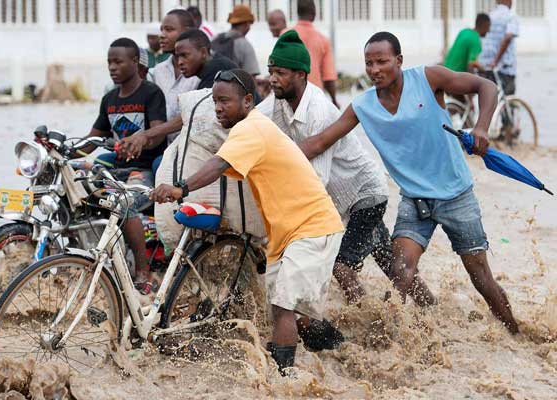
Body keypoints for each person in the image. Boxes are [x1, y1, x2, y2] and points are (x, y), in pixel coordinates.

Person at [299, 32, 519, 334]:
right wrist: (273, 152)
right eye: (369, 63)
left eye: (382, 61)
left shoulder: (429, 79)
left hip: (456, 195)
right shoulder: (363, 106)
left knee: (480, 276)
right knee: (401, 271)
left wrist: (481, 126)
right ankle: (390, 342)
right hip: (415, 202)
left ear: (399, 61)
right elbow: (321, 141)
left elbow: (487, 86)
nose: (375, 69)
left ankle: (515, 333)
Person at [150, 69, 345, 373]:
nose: (217, 108)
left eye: (225, 101)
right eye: (214, 101)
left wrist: (181, 188)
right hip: (288, 234)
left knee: (282, 307)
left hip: (312, 228)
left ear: (248, 101)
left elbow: (218, 163)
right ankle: (345, 352)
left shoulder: (250, 129)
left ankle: (284, 381)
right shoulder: (251, 128)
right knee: (298, 315)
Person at [258, 31, 435, 307]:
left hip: (365, 195)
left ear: (301, 75)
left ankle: (369, 323)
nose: (272, 79)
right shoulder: (278, 99)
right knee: (390, 263)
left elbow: (316, 180)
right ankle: (429, 306)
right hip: (347, 199)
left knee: (341, 265)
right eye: (271, 72)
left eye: (279, 72)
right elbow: (253, 124)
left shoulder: (317, 112)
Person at [77, 38, 167, 296]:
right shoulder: (109, 99)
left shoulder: (150, 93)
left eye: (118, 62)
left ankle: (142, 272)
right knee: (80, 188)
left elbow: (159, 133)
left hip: (144, 170)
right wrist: (63, 150)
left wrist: (142, 140)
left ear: (135, 62)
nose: (112, 67)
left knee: (124, 204)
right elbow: (91, 140)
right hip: (116, 170)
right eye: (109, 62)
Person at [118, 29, 238, 160]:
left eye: (184, 55)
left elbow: (191, 115)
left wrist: (145, 135)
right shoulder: (208, 70)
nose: (180, 62)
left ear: (203, 52)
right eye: (177, 56)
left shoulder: (217, 70)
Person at [150, 9, 200, 145]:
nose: (162, 35)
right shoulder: (158, 71)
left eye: (169, 30)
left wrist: (146, 135)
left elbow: (193, 116)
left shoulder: (201, 70)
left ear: (187, 32)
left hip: (193, 148)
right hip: (166, 149)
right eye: (161, 30)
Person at [292, 0, 338, 107]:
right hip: (315, 100)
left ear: (297, 13)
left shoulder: (286, 35)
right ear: (314, 14)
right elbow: (329, 77)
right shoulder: (323, 40)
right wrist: (334, 100)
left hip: (291, 98)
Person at [479, 0, 519, 95]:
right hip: (504, 68)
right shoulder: (511, 16)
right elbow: (508, 37)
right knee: (507, 102)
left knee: (488, 100)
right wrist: (496, 61)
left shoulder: (490, 16)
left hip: (485, 67)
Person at [211, 5, 260, 76]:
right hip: (233, 85)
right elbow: (251, 76)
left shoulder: (216, 38)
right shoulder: (245, 45)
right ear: (247, 24)